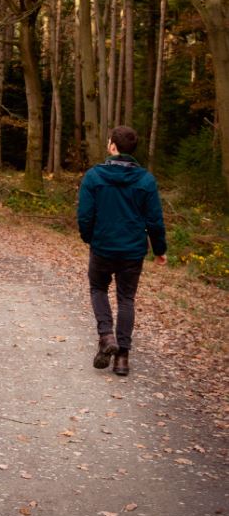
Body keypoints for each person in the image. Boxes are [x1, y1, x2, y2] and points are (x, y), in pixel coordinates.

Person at [77, 126, 167, 377]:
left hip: (103, 247)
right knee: (126, 298)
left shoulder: (94, 176)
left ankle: (106, 336)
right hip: (132, 250)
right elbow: (155, 220)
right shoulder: (146, 180)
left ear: (113, 146)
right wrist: (159, 249)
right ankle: (122, 359)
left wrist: (90, 238)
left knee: (98, 289)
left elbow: (84, 215)